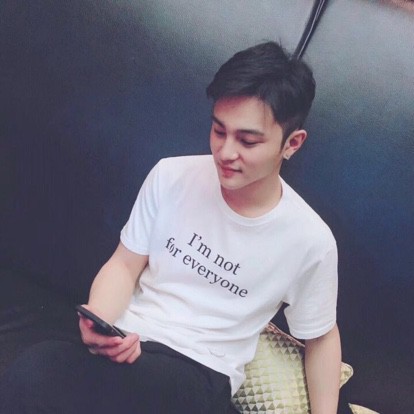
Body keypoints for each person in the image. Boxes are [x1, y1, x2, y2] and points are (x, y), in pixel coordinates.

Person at [0, 41, 341, 413]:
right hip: (128, 343)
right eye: (218, 131)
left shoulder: (310, 240)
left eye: (247, 141)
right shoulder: (171, 176)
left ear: (292, 143)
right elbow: (124, 264)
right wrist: (99, 322)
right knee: (33, 371)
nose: (226, 152)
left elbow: (321, 337)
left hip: (199, 370)